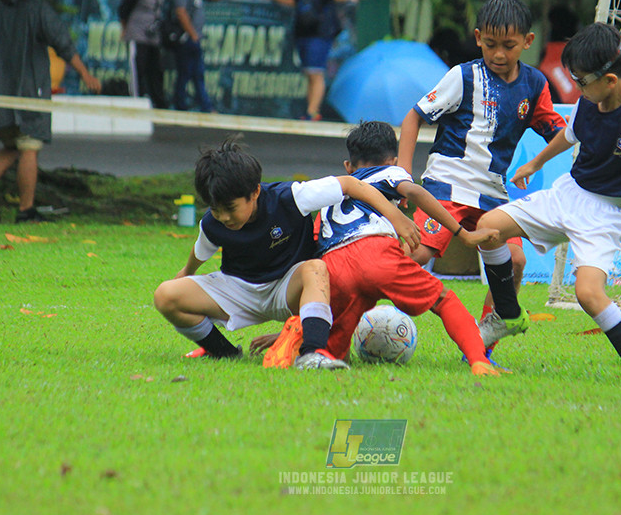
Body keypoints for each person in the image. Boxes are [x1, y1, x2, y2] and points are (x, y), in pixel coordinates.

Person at [473, 22, 621, 387]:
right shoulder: (588, 103)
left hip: (605, 215)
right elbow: (568, 134)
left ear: (610, 80)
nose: (577, 87)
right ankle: (507, 314)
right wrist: (536, 163)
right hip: (567, 194)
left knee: (588, 294)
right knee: (489, 228)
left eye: (580, 81)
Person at [250, 122, 503, 374]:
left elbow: (312, 256)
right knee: (444, 301)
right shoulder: (389, 173)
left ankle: (298, 338)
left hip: (334, 267)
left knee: (333, 354)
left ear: (348, 167)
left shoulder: (330, 195)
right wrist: (464, 234)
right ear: (393, 161)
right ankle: (478, 361)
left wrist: (305, 319)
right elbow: (415, 191)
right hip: (376, 254)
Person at [152, 136, 421, 370]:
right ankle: (224, 353)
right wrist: (186, 273)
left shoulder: (291, 197)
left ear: (255, 191)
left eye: (230, 208)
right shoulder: (213, 223)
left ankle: (313, 355)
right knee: (165, 295)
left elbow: (351, 185)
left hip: (288, 289)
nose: (223, 216)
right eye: (215, 208)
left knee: (315, 268)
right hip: (240, 289)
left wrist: (397, 218)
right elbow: (201, 249)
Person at [397, 0, 566, 357]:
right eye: (490, 45)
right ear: (477, 38)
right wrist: (402, 176)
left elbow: (560, 134)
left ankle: (482, 340)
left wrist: (540, 161)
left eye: (509, 45)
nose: (499, 54)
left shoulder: (535, 85)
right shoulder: (463, 76)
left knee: (516, 262)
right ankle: (363, 316)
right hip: (447, 184)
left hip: (492, 193)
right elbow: (413, 118)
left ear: (527, 42)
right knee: (416, 253)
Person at [0, 0, 101, 224]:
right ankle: (26, 210)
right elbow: (63, 43)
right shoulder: (39, 10)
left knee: (13, 144)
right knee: (29, 147)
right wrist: (85, 74)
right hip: (31, 92)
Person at [261, 0, 367, 121]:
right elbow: (293, 1)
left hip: (319, 34)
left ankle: (312, 112)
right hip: (303, 34)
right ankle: (310, 110)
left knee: (316, 73)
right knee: (308, 73)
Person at [118, 0, 168, 109]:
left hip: (153, 36)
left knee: (156, 69)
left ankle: (159, 103)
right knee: (138, 67)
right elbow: (124, 8)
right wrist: (125, 28)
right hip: (138, 33)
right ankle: (137, 101)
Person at [169, 0, 214, 112]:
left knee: (197, 74)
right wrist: (193, 34)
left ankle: (205, 106)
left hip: (194, 37)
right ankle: (180, 105)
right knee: (185, 73)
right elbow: (181, 12)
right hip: (187, 37)